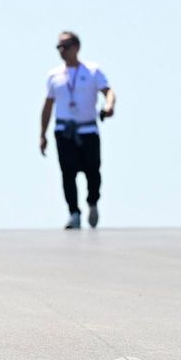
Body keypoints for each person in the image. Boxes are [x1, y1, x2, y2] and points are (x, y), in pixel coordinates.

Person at [39, 31, 116, 230]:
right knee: (68, 172)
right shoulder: (54, 76)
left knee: (93, 170)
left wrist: (109, 106)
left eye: (66, 45)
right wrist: (43, 134)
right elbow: (48, 106)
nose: (62, 50)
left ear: (76, 46)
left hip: (88, 129)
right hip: (64, 131)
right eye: (59, 47)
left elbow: (108, 91)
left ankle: (92, 202)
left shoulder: (92, 71)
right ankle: (74, 212)